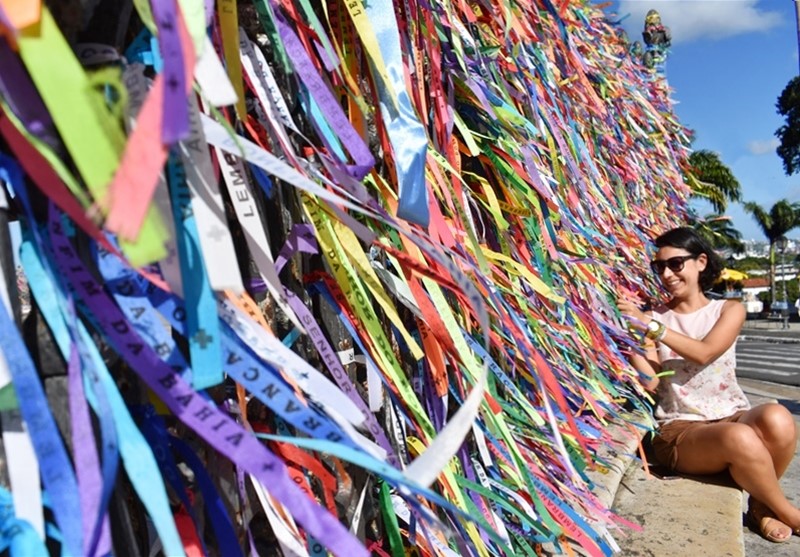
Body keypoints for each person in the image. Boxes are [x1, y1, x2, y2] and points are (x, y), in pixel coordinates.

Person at [618, 227, 800, 543]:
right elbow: (651, 382)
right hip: (678, 429)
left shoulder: (729, 309)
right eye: (659, 267)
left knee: (778, 417)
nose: (666, 274)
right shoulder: (652, 318)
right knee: (740, 437)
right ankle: (789, 512)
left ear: (701, 262)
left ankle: (760, 505)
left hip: (731, 416)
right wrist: (632, 343)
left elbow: (704, 352)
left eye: (675, 263)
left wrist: (652, 328)